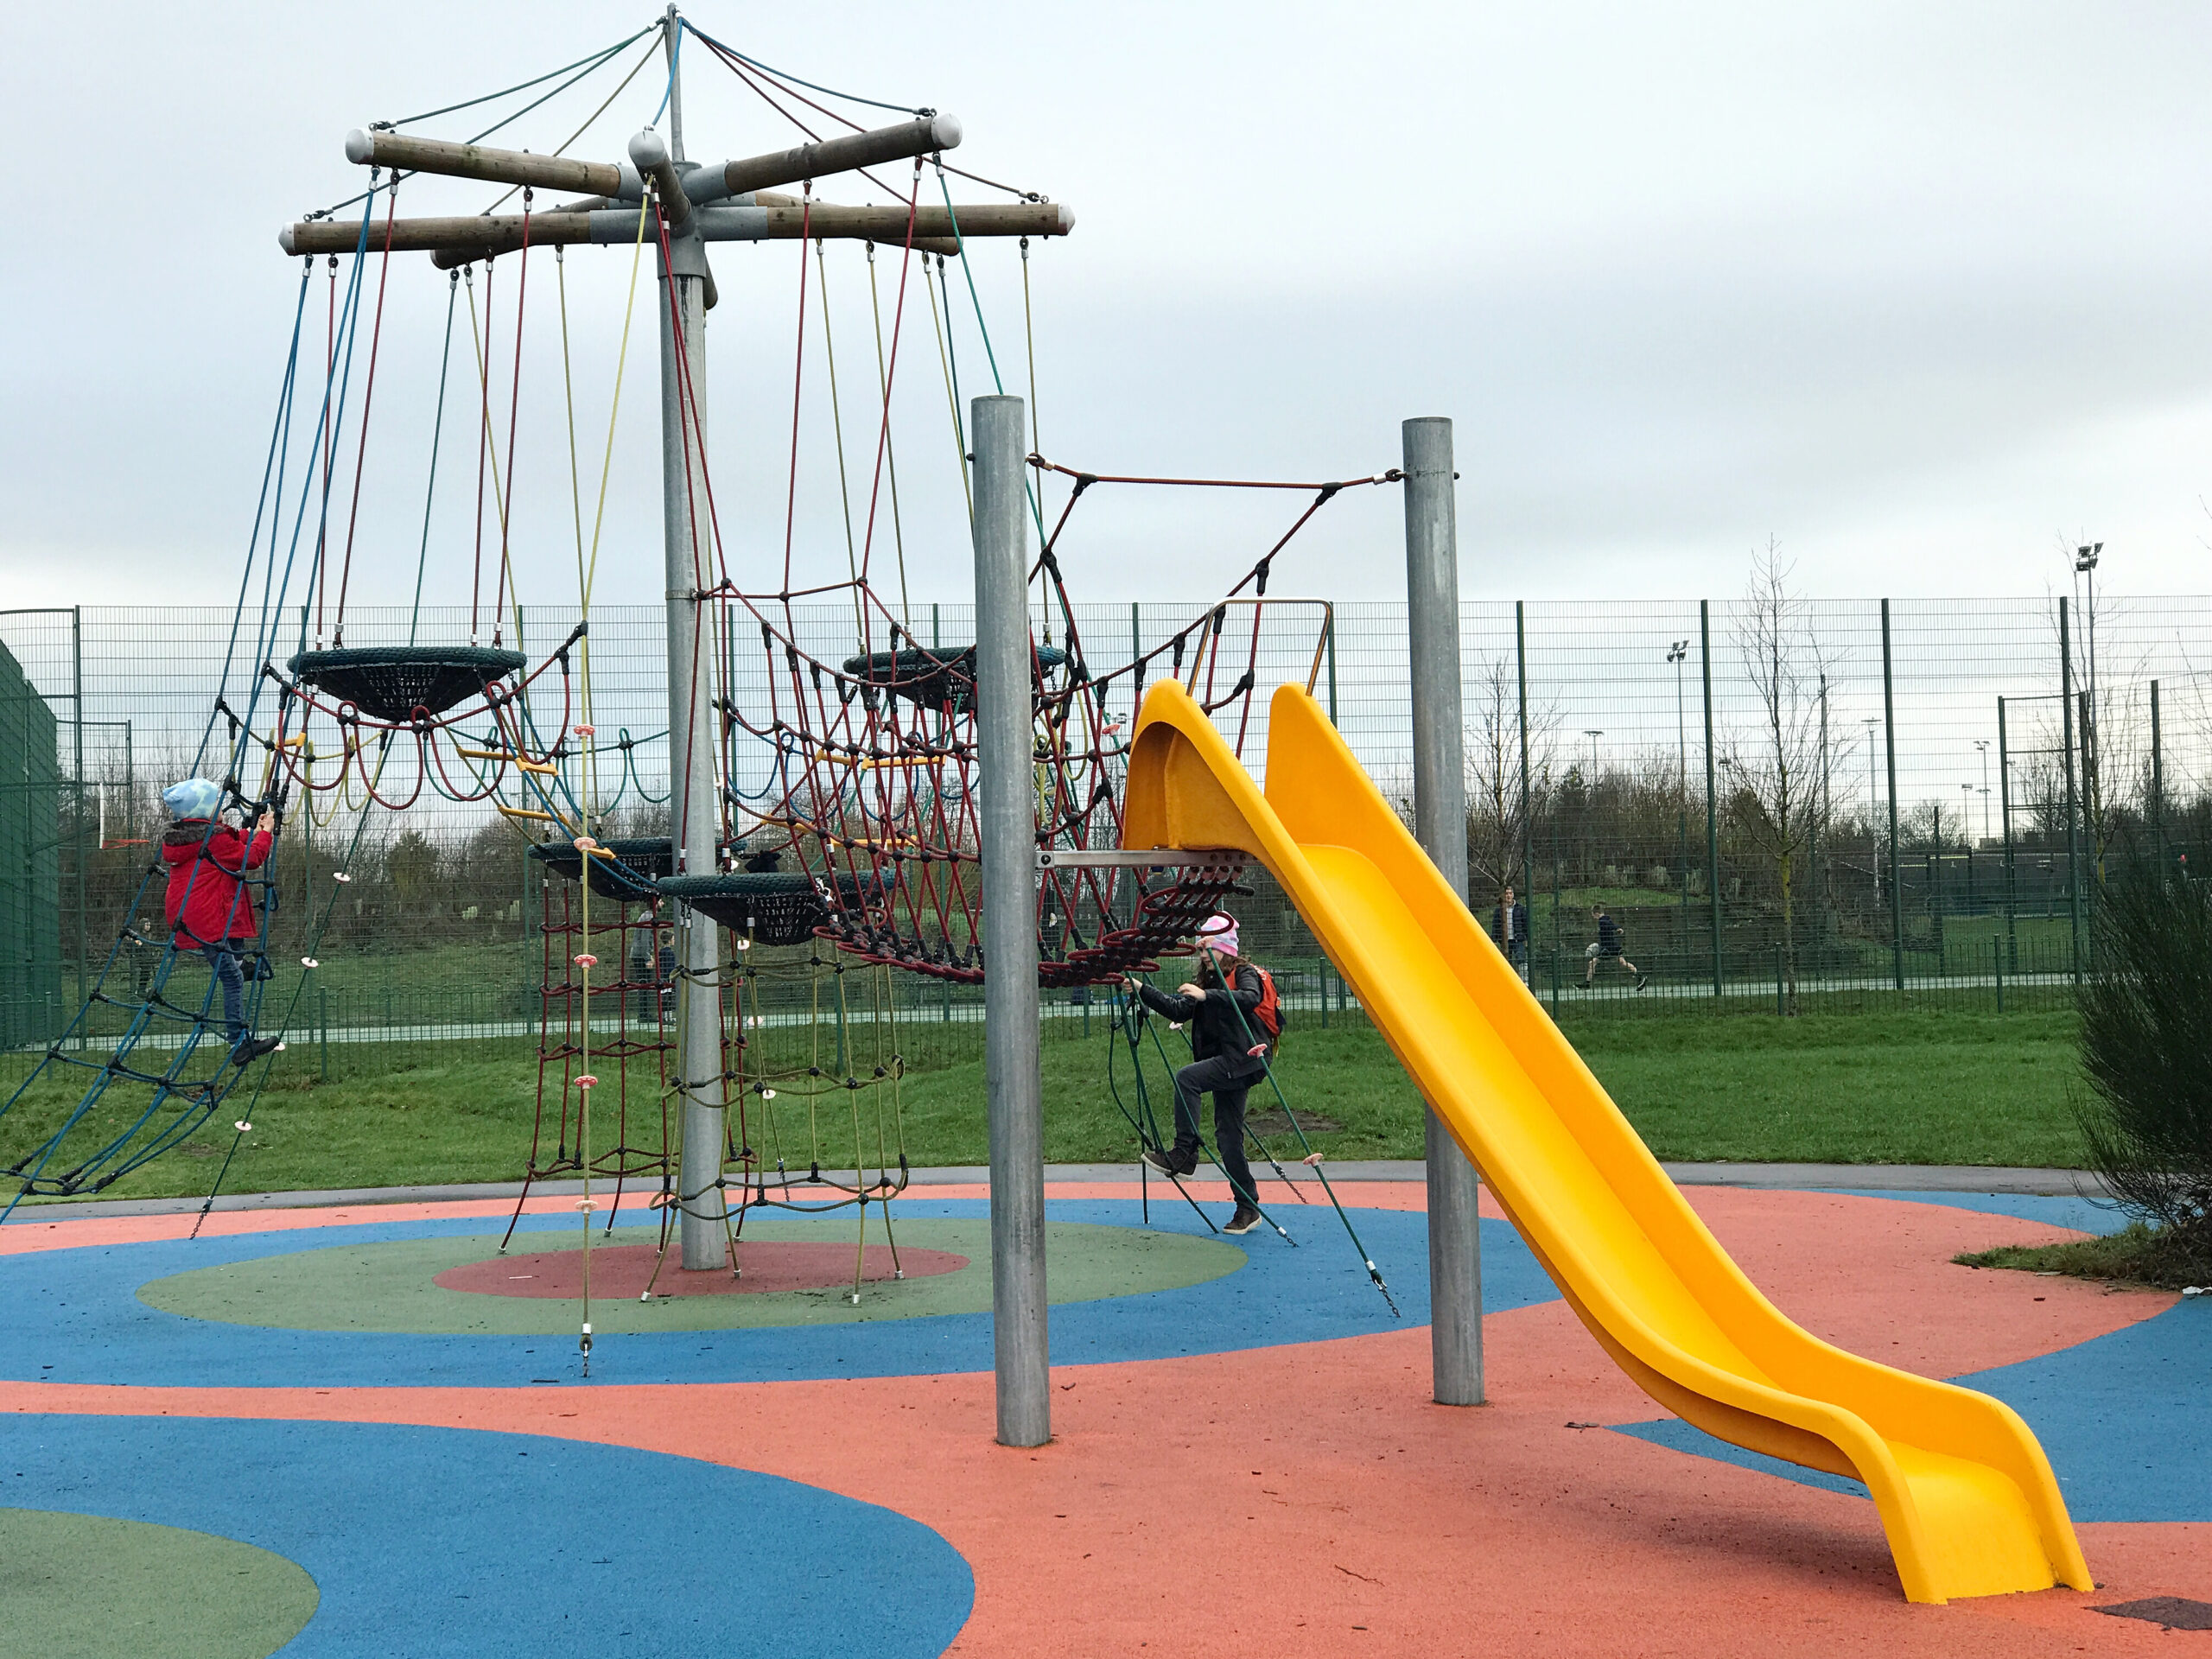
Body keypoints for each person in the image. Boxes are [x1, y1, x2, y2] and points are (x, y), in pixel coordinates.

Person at [1135, 912, 1274, 1236]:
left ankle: (1184, 1153)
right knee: (1228, 1138)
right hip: (1231, 1063)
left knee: (1188, 1078)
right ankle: (1247, 1207)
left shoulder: (1243, 972)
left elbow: (1251, 998)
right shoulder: (1208, 981)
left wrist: (1207, 996)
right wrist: (1141, 988)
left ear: (1226, 949)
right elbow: (1179, 1009)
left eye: (1206, 950)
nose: (1201, 956)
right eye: (1199, 951)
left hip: (1243, 1058)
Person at [159, 779, 283, 1065]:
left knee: (233, 957)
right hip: (207, 922)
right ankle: (238, 1042)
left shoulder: (194, 837)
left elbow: (233, 842)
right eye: (216, 804)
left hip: (191, 918)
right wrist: (265, 833)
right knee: (232, 979)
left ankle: (241, 964)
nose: (222, 808)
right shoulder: (212, 840)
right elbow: (251, 858)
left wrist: (252, 830)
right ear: (204, 813)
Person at [1582, 902, 1648, 991]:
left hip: (1608, 949)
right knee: (1623, 963)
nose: (1593, 917)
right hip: (1614, 946)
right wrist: (1617, 928)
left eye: (1593, 915)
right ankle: (1640, 976)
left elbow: (1609, 926)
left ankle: (1587, 983)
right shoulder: (1607, 919)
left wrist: (1616, 928)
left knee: (1592, 963)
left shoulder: (1602, 921)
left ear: (1597, 913)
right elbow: (1610, 926)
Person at [1491, 884, 1529, 981]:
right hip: (1504, 941)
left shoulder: (1520, 909)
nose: (1508, 895)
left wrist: (1527, 938)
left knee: (1521, 959)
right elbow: (1495, 926)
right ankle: (1507, 981)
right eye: (1506, 893)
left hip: (1517, 940)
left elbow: (1525, 924)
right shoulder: (1499, 911)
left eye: (1510, 893)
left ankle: (1525, 981)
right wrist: (1494, 940)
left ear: (1513, 895)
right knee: (1506, 962)